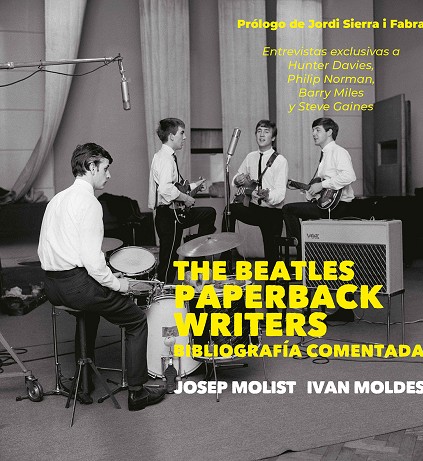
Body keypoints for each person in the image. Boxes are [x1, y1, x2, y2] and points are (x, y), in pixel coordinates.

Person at [38, 143, 166, 410]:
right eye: (105, 168)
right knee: (136, 320)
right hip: (76, 286)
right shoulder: (89, 203)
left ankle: (83, 383)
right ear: (91, 166)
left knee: (89, 311)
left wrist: (101, 277)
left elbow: (45, 249)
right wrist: (119, 284)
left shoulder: (56, 199)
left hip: (51, 285)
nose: (108, 175)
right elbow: (93, 262)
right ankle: (137, 393)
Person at [282, 117, 356, 321]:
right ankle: (346, 310)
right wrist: (308, 190)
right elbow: (321, 190)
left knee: (288, 209)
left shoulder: (338, 152)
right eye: (313, 130)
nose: (313, 133)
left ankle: (301, 251)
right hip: (329, 207)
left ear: (329, 132)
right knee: (337, 259)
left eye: (317, 130)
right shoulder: (324, 156)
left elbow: (349, 176)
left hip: (340, 209)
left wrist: (321, 186)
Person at [148, 118, 216, 284]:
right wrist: (186, 198)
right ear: (171, 136)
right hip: (168, 215)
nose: (184, 137)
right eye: (182, 133)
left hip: (173, 214)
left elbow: (177, 186)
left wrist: (195, 186)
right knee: (168, 262)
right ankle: (163, 293)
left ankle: (196, 255)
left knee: (208, 213)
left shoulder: (167, 157)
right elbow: (165, 189)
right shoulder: (165, 159)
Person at [222, 120, 288, 272]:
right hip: (253, 208)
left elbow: (280, 194)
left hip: (272, 212)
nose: (262, 134)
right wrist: (237, 180)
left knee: (271, 257)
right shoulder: (250, 156)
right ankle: (226, 257)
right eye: (259, 131)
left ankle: (272, 283)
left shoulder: (280, 161)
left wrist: (266, 196)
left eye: (266, 131)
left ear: (273, 137)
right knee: (229, 210)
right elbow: (237, 176)